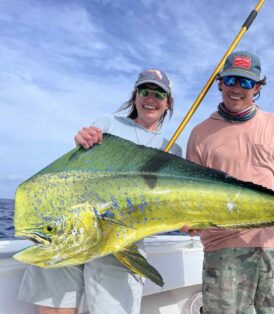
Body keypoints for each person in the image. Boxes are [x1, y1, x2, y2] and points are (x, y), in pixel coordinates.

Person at [18, 69, 182, 314]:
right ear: (135, 95)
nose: (151, 98)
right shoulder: (107, 123)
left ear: (167, 102)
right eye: (144, 90)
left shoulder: (172, 150)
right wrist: (83, 140)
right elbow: (80, 167)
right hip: (72, 230)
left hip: (120, 243)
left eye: (159, 93)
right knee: (55, 307)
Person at [183, 51, 274, 313]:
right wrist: (190, 220)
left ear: (257, 87)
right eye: (231, 80)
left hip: (272, 245)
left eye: (246, 83)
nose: (237, 88)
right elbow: (190, 192)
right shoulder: (199, 133)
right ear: (220, 82)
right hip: (222, 248)